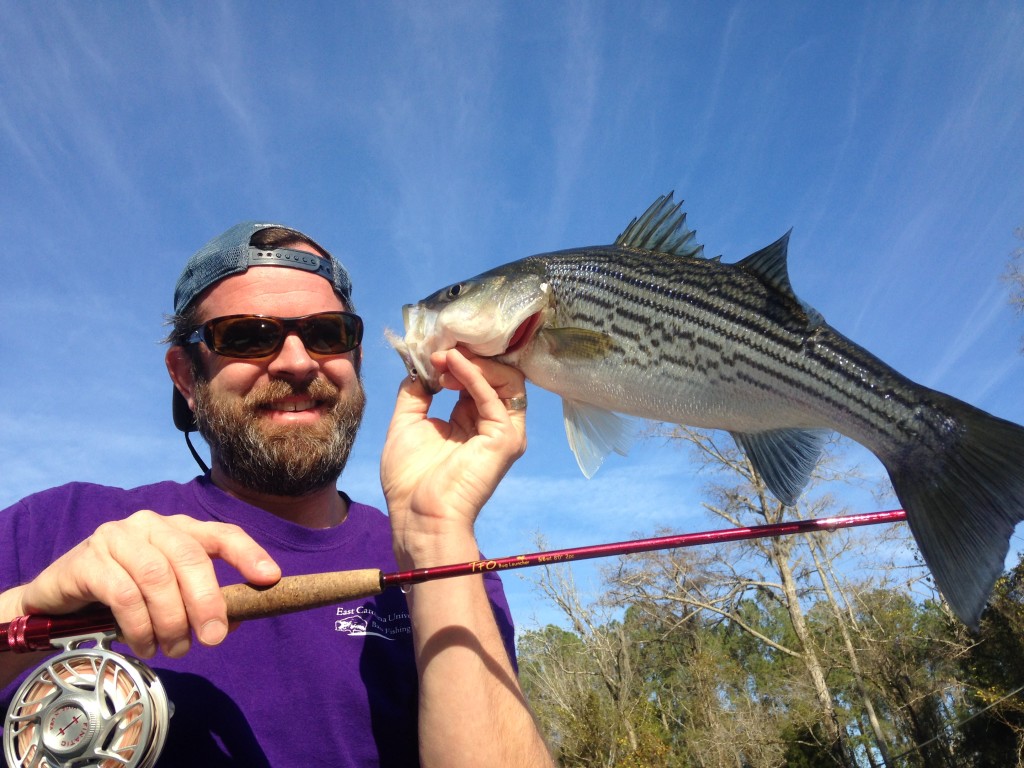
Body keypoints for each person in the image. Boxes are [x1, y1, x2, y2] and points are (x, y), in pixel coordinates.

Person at [0, 222, 553, 766]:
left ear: (356, 360)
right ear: (186, 377)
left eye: (328, 333)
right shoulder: (54, 526)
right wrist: (27, 609)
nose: (297, 361)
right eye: (247, 336)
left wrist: (434, 536)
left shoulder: (454, 568)